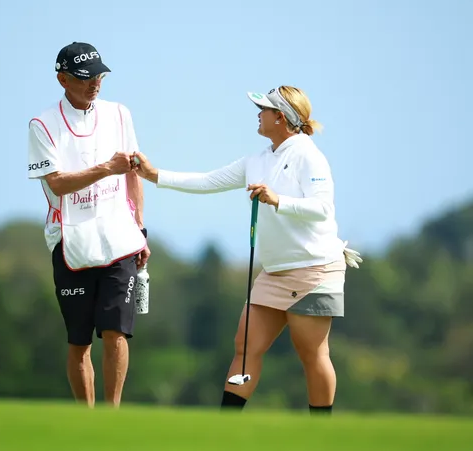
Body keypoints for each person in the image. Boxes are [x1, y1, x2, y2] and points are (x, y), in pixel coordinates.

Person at [132, 85, 362, 415]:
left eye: (263, 109)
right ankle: (225, 427)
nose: (258, 114)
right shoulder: (257, 160)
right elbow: (208, 181)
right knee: (245, 347)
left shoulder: (308, 155)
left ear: (280, 117)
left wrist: (278, 200)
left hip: (314, 270)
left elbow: (323, 208)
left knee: (312, 353)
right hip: (274, 273)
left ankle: (320, 429)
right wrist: (154, 175)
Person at [27, 41, 151, 408]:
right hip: (70, 242)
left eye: (99, 76)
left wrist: (140, 230)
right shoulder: (42, 124)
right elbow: (57, 184)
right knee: (79, 342)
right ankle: (88, 420)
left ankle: (110, 419)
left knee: (116, 334)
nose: (94, 84)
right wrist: (107, 168)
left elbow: (133, 174)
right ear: (62, 79)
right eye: (84, 78)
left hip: (120, 238)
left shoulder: (119, 114)